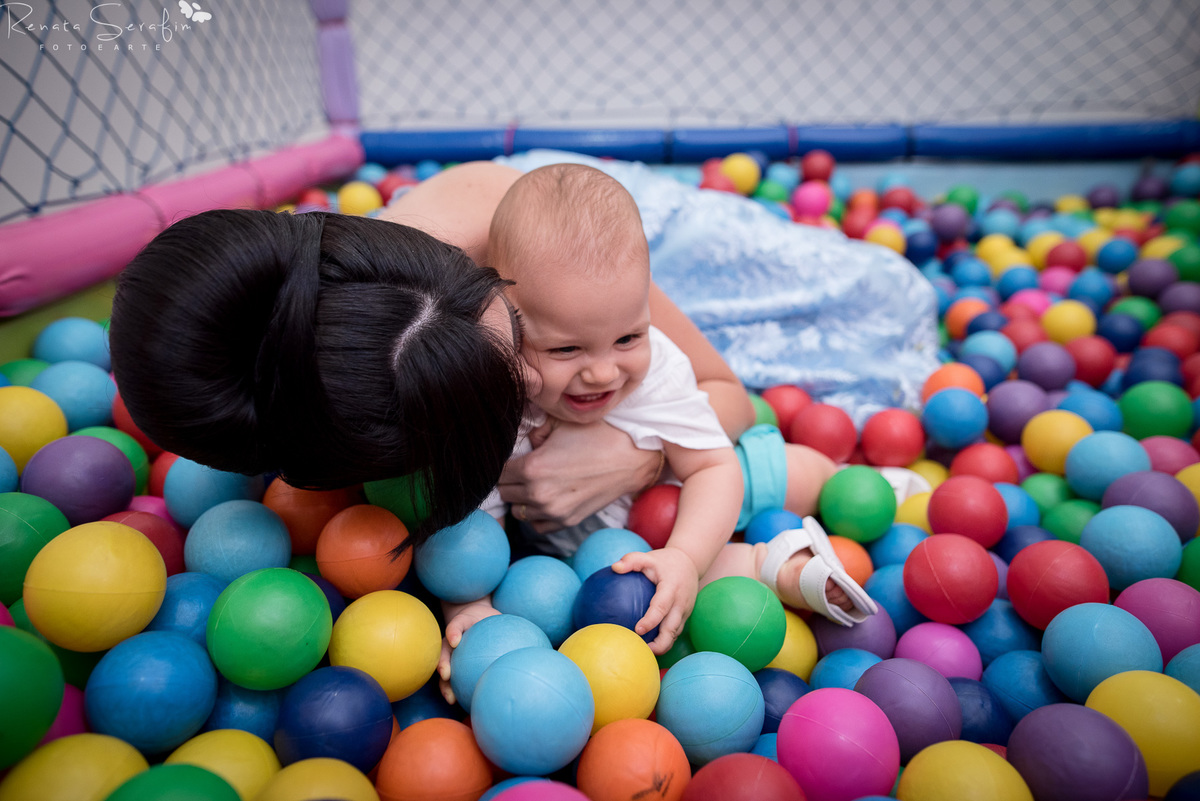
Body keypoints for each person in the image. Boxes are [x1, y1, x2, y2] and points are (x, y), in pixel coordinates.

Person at [435, 165, 880, 701]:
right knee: (625, 589)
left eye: (628, 337)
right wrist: (467, 603)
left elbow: (714, 466)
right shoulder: (492, 394)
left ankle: (869, 485)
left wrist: (686, 558)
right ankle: (776, 567)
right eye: (565, 350)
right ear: (504, 324)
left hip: (674, 512)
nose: (603, 372)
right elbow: (464, 515)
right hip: (587, 557)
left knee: (788, 477)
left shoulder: (661, 369)